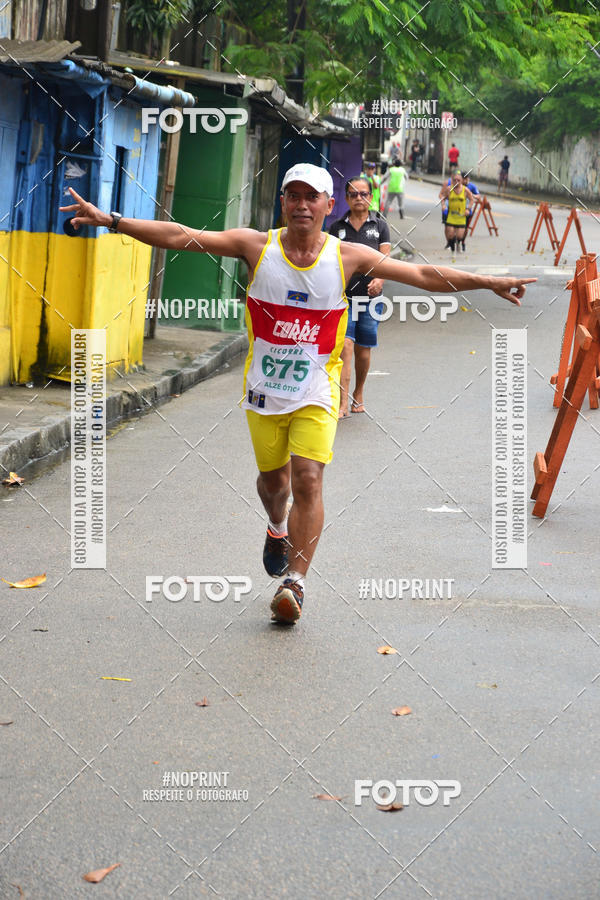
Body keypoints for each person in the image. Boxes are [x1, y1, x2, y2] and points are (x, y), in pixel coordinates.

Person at [60, 163, 534, 625]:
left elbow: (425, 276)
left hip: (317, 390)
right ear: (282, 202)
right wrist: (113, 221)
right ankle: (277, 527)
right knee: (275, 486)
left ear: (330, 205)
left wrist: (490, 283)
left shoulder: (348, 255)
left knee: (308, 480)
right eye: (295, 195)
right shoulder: (255, 246)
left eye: (313, 197)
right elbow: (182, 234)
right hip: (265, 393)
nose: (303, 205)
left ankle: (295, 584)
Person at [328, 177, 391, 418]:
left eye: (363, 194)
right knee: (345, 346)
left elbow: (386, 259)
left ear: (370, 197)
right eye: (353, 194)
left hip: (371, 299)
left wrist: (380, 279)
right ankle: (343, 402)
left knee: (363, 351)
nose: (359, 198)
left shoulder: (380, 225)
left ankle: (359, 392)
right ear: (346, 198)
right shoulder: (336, 228)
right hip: (343, 298)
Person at [439, 170, 475, 257]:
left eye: (458, 180)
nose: (456, 182)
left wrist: (468, 209)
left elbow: (472, 199)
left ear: (461, 180)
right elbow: (442, 197)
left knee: (459, 236)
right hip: (451, 215)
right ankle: (452, 248)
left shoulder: (465, 190)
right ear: (452, 179)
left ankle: (458, 243)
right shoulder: (449, 189)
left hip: (461, 216)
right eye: (454, 180)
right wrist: (443, 205)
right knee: (450, 234)